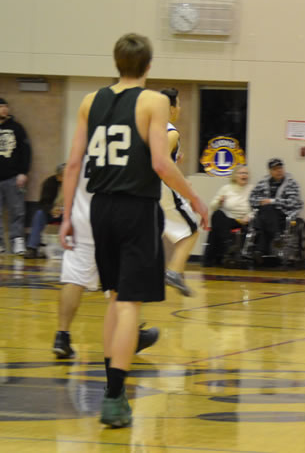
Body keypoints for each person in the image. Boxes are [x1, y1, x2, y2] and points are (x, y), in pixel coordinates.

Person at [59, 33, 208, 429]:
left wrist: (66, 215)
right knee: (128, 304)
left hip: (100, 207)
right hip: (136, 208)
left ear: (116, 62)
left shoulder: (89, 101)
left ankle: (115, 393)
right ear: (149, 66)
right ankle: (113, 397)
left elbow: (73, 164)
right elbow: (160, 162)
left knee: (114, 298)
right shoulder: (154, 101)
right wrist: (195, 197)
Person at [53, 156, 160, 359]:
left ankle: (62, 336)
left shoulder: (86, 145)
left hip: (82, 218)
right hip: (113, 216)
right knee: (122, 283)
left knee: (74, 279)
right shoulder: (130, 143)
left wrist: (67, 214)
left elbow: (70, 169)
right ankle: (130, 335)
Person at [160, 88, 201, 296]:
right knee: (192, 229)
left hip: (139, 189)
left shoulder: (146, 127)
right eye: (178, 104)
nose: (180, 108)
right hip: (161, 187)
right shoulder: (171, 132)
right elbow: (160, 163)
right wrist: (182, 182)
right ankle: (174, 272)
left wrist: (175, 158)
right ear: (170, 108)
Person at [249, 158, 303, 261]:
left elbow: (293, 202)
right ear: (270, 171)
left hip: (284, 213)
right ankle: (274, 237)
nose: (279, 171)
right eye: (275, 169)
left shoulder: (291, 183)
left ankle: (260, 249)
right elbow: (252, 198)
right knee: (264, 212)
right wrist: (260, 202)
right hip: (265, 214)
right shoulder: (262, 183)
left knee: (265, 213)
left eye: (280, 168)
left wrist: (272, 201)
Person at [203, 164, 252, 267]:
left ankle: (218, 254)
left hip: (245, 220)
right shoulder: (226, 188)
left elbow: (256, 207)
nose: (244, 175)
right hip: (228, 218)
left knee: (214, 231)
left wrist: (249, 216)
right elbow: (213, 206)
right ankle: (228, 245)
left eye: (246, 173)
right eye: (241, 173)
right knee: (217, 215)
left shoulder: (251, 189)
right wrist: (219, 202)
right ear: (235, 176)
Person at [0, 97, 31, 255]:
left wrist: (23, 172)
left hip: (13, 177)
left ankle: (17, 241)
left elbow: (26, 151)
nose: (4, 109)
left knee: (17, 211)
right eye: (1, 107)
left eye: (6, 106)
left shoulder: (17, 128)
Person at [25, 163, 64, 259]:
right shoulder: (49, 183)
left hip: (69, 213)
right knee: (39, 214)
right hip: (52, 212)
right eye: (63, 175)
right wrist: (51, 209)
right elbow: (43, 203)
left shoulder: (76, 183)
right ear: (58, 176)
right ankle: (32, 248)